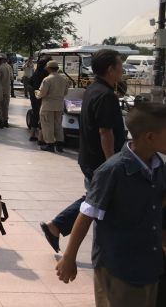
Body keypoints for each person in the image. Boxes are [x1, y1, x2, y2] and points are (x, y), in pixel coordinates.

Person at [56, 102, 166, 307]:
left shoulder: (158, 166)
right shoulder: (113, 171)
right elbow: (86, 215)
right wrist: (69, 258)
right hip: (118, 268)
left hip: (149, 266)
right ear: (150, 137)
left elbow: (158, 207)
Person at [40, 49, 126, 253]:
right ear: (110, 69)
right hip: (100, 160)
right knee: (96, 202)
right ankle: (61, 230)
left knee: (94, 199)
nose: (122, 70)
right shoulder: (106, 96)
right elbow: (105, 132)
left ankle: (56, 227)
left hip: (90, 157)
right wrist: (111, 163)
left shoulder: (94, 89)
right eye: (120, 66)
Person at [36, 60, 70, 152]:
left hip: (48, 106)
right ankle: (60, 144)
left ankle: (50, 144)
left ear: (48, 68)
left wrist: (37, 93)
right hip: (59, 105)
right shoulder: (64, 79)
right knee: (58, 125)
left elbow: (42, 93)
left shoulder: (47, 79)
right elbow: (65, 92)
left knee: (47, 125)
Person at [28, 57, 49, 143]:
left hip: (34, 96)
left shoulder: (36, 72)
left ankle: (32, 134)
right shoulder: (46, 74)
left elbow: (29, 83)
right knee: (42, 117)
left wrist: (33, 92)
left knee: (35, 114)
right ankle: (41, 138)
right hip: (42, 97)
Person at [0, 55, 13, 127]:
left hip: (0, 90)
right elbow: (12, 78)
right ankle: (6, 121)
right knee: (6, 106)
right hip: (7, 89)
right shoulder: (9, 67)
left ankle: (0, 121)